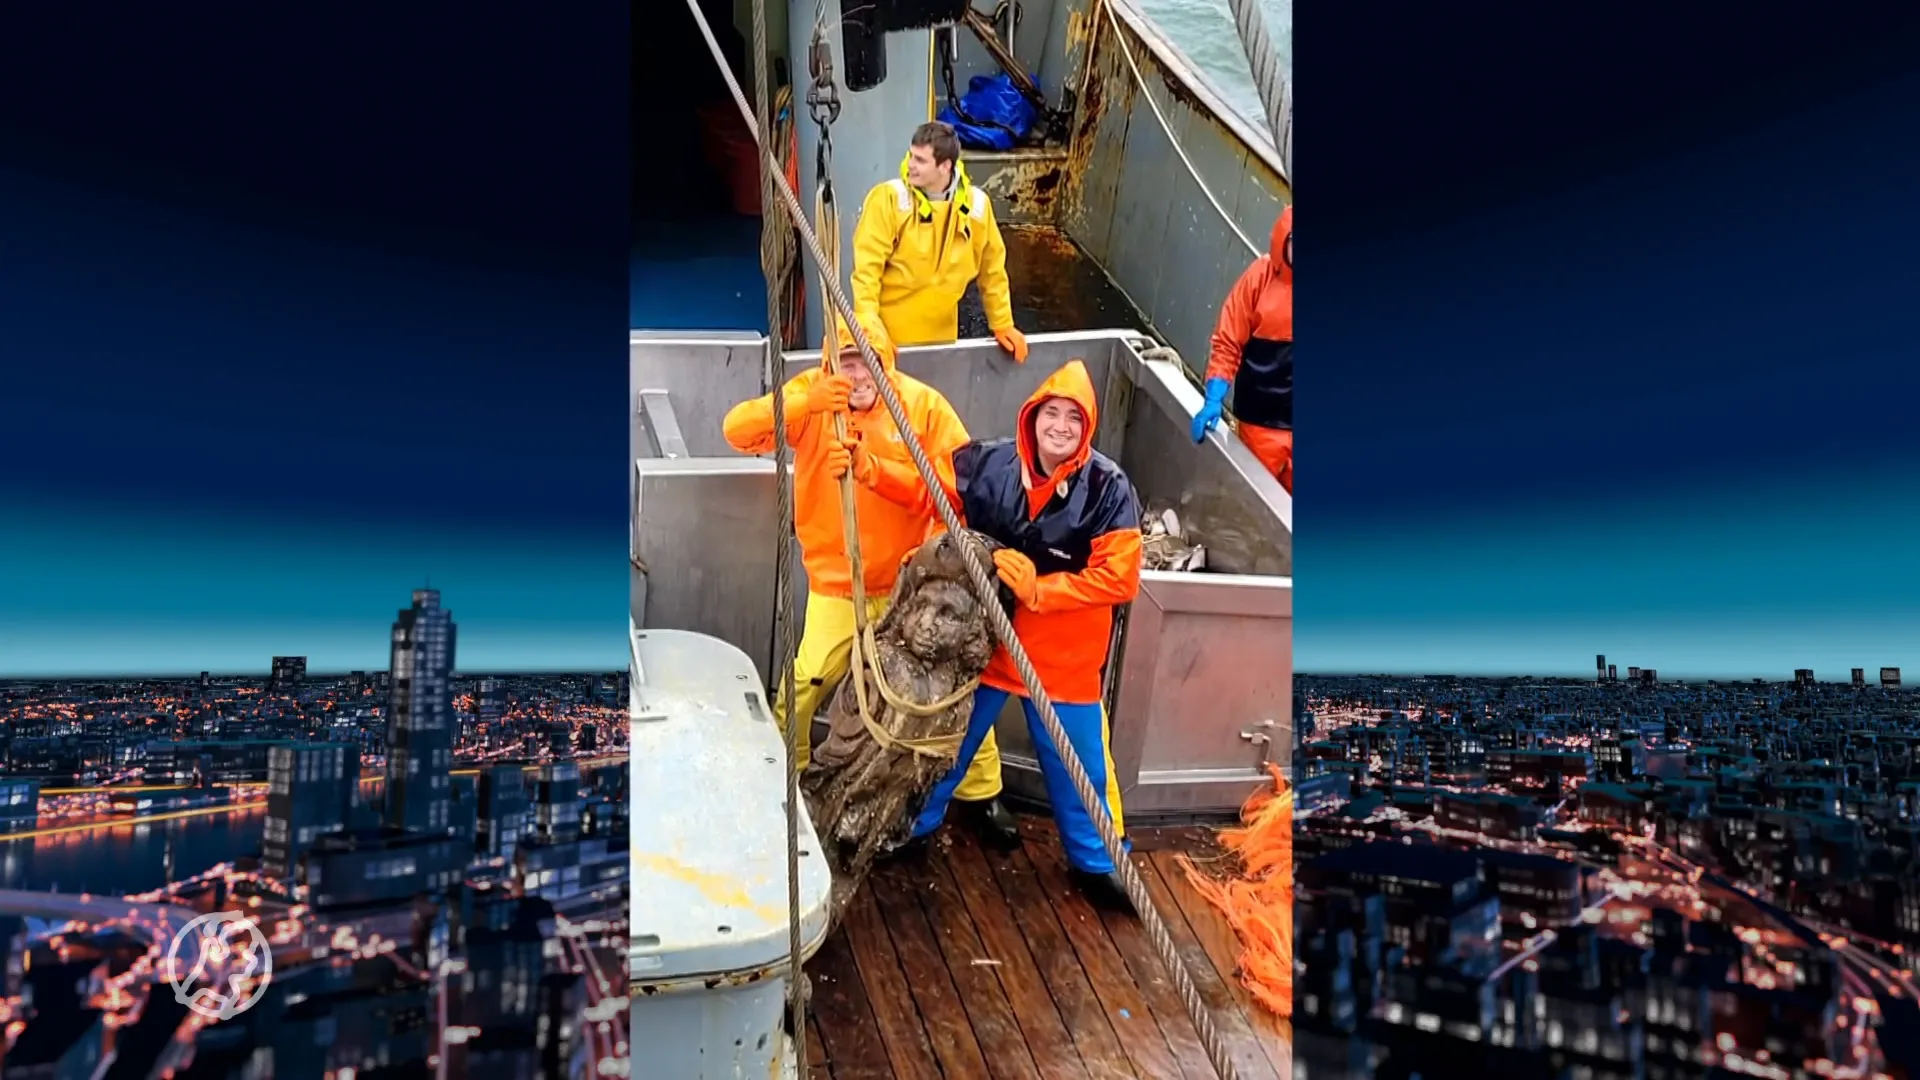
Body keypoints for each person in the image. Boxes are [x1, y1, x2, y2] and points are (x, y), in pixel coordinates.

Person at [835, 360, 1143, 911]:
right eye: (1052, 412)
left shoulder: (1110, 489)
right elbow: (929, 489)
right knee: (943, 746)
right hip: (987, 648)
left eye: (1074, 418)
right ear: (1032, 417)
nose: (1061, 426)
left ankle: (1097, 861)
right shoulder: (989, 463)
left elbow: (1119, 579)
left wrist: (1042, 590)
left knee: (1079, 769)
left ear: (1088, 427)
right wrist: (869, 467)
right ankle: (911, 826)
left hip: (1063, 664)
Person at [721, 318, 1021, 849]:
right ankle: (786, 768)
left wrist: (872, 468)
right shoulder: (811, 397)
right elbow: (738, 430)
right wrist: (808, 403)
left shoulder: (924, 408)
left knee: (946, 689)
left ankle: (981, 789)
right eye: (847, 360)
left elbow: (955, 489)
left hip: (912, 586)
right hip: (838, 583)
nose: (857, 372)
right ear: (830, 363)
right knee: (808, 680)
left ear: (888, 359)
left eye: (868, 359)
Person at [849, 120, 1029, 364]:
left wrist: (1003, 323)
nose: (911, 165)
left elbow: (992, 271)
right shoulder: (888, 199)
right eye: (911, 156)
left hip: (942, 344)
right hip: (888, 341)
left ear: (945, 166)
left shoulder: (977, 207)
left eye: (921, 160)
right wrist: (869, 328)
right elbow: (866, 272)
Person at [1193, 205, 1292, 492]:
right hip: (1259, 425)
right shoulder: (1258, 278)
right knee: (1253, 506)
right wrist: (1214, 398)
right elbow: (1227, 341)